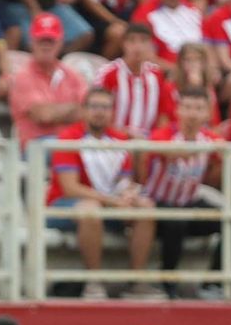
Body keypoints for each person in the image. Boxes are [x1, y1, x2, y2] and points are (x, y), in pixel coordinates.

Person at [45, 86, 162, 299]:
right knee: (91, 209)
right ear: (84, 110)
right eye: (95, 106)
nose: (100, 112)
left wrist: (128, 194)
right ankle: (94, 281)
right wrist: (112, 201)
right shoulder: (68, 138)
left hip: (108, 203)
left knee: (146, 206)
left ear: (113, 111)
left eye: (106, 107)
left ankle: (136, 282)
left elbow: (123, 180)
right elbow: (70, 188)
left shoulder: (119, 139)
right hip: (63, 205)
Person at [138, 86, 225, 298]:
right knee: (176, 219)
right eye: (187, 107)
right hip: (158, 203)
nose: (192, 113)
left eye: (198, 108)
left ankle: (214, 281)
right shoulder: (164, 134)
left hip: (189, 201)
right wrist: (208, 147)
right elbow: (172, 151)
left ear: (207, 113)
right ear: (177, 110)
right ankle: (168, 282)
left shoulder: (210, 138)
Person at [9, 13, 88, 148]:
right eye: (41, 40)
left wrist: (54, 111)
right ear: (31, 42)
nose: (46, 46)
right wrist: (74, 107)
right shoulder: (23, 76)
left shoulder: (71, 74)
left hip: (71, 141)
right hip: (36, 146)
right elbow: (44, 115)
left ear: (60, 43)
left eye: (51, 40)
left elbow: (88, 112)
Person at [96, 22, 177, 137]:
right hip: (114, 142)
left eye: (143, 41)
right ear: (123, 44)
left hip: (149, 145)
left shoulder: (157, 75)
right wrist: (125, 135)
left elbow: (163, 115)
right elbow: (97, 112)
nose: (137, 47)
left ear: (150, 46)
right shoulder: (108, 73)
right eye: (132, 41)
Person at [167, 41, 222, 126]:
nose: (193, 64)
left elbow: (213, 121)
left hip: (204, 133)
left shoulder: (209, 88)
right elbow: (167, 120)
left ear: (204, 63)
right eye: (188, 59)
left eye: (197, 59)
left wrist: (201, 88)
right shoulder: (170, 87)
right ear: (180, 62)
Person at [136, 0, 204, 67]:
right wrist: (174, 70)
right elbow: (144, 55)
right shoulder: (145, 13)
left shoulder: (193, 10)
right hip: (166, 71)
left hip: (199, 66)